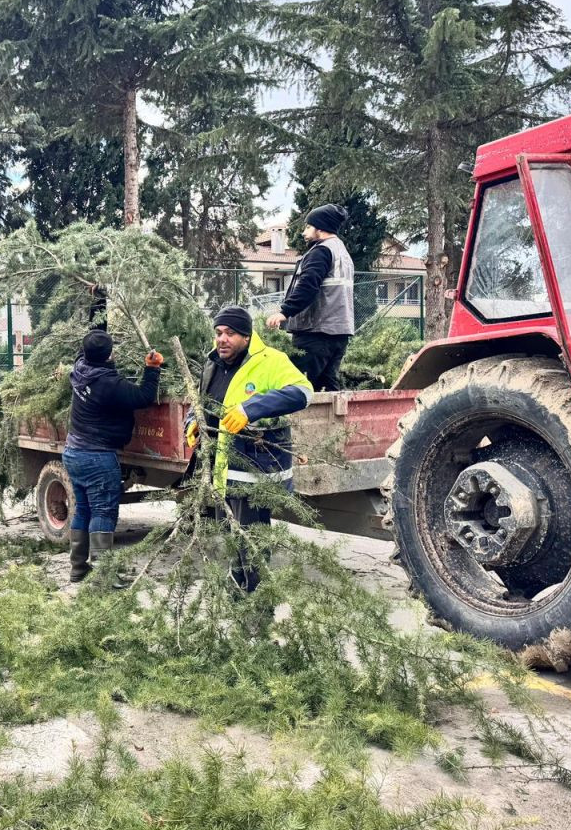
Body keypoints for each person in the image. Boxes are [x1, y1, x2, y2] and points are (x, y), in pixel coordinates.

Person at [186, 305, 312, 592]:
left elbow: (303, 392)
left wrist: (250, 408)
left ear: (246, 336)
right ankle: (237, 599)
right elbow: (199, 402)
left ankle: (257, 605)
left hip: (255, 473)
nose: (222, 339)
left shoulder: (271, 360)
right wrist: (192, 422)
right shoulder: (212, 363)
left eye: (230, 333)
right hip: (223, 471)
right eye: (218, 333)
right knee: (232, 539)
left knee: (253, 545)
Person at [63, 327, 164, 582]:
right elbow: (143, 396)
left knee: (84, 509)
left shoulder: (79, 368)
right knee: (103, 512)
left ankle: (78, 568)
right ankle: (103, 576)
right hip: (97, 456)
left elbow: (94, 334)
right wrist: (152, 368)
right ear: (109, 356)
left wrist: (98, 300)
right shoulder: (109, 384)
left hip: (74, 452)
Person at [266, 203, 355, 392]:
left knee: (297, 387)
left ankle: (294, 423)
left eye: (308, 227)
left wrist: (285, 312)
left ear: (320, 228)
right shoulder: (342, 253)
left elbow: (308, 285)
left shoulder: (320, 251)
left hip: (315, 331)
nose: (304, 232)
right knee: (329, 387)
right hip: (339, 331)